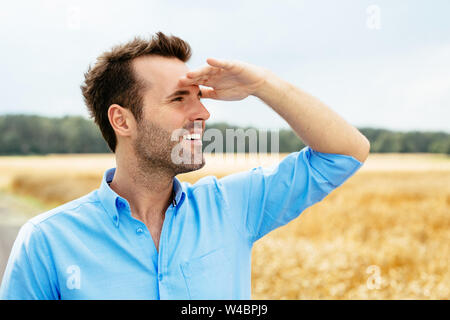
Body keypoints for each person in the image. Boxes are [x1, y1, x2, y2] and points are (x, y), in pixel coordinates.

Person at [0, 32, 370, 300]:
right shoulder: (48, 241)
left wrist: (262, 84)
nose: (203, 113)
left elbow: (345, 153)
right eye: (179, 99)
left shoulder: (233, 206)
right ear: (122, 121)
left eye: (199, 98)